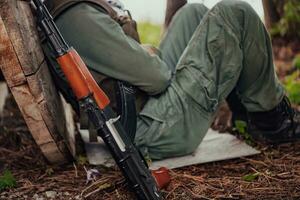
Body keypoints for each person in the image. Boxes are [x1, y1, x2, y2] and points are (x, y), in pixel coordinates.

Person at [42, 0, 300, 161]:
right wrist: (146, 53)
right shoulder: (78, 17)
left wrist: (143, 56)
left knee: (193, 12)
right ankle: (271, 121)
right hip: (146, 131)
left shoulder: (72, 9)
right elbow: (158, 79)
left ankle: (247, 112)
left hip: (134, 109)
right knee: (238, 13)